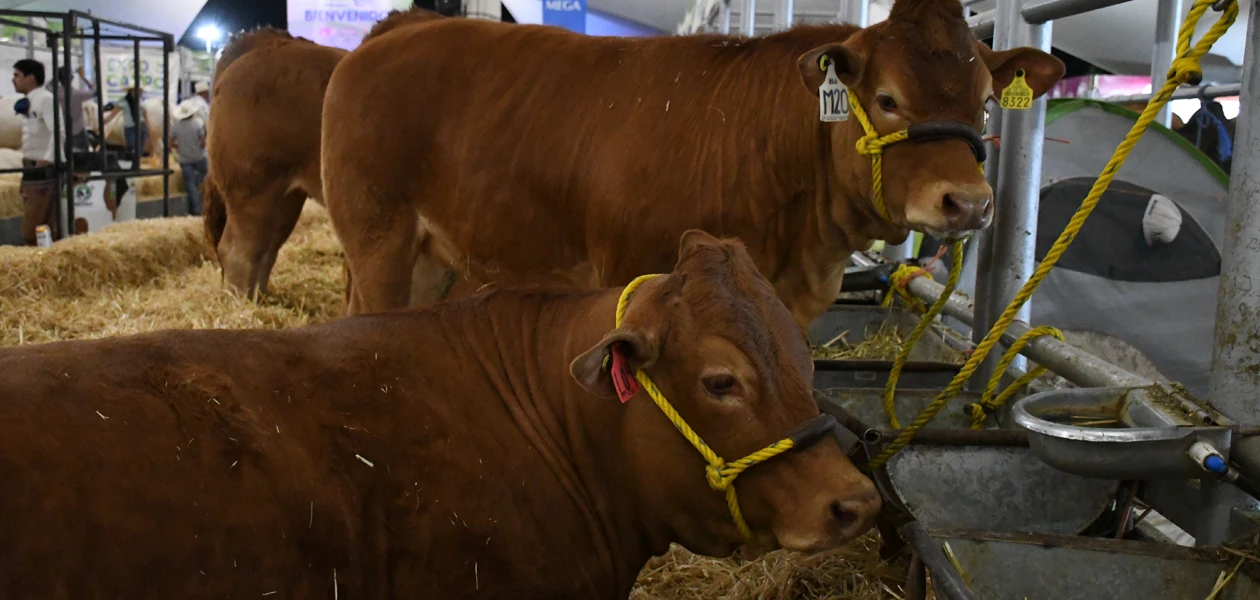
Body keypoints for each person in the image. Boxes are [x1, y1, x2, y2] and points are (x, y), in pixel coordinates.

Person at [12, 58, 61, 245]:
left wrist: (48, 158)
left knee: (32, 229)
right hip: (32, 168)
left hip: (41, 169)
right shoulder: (31, 101)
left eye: (17, 75)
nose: (13, 79)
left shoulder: (46, 100)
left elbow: (58, 131)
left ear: (30, 78)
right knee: (41, 224)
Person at [169, 100, 207, 216]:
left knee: (189, 183)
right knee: (208, 172)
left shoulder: (176, 126)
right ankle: (197, 183)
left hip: (184, 159)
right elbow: (203, 143)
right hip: (198, 157)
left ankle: (196, 209)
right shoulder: (197, 124)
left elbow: (170, 143)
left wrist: (179, 147)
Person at [50, 65, 95, 152]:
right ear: (72, 78)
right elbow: (94, 91)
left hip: (61, 130)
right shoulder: (77, 94)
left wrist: (56, 76)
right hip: (78, 131)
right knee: (84, 155)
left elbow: (48, 86)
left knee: (63, 155)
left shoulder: (55, 92)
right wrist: (83, 77)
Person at [104, 86, 146, 159]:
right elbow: (113, 114)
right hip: (130, 128)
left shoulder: (140, 101)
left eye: (141, 91)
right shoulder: (123, 101)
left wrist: (148, 127)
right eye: (139, 91)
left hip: (141, 127)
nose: (141, 93)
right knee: (134, 146)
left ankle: (136, 164)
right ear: (131, 91)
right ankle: (133, 162)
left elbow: (145, 114)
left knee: (140, 149)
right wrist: (105, 122)